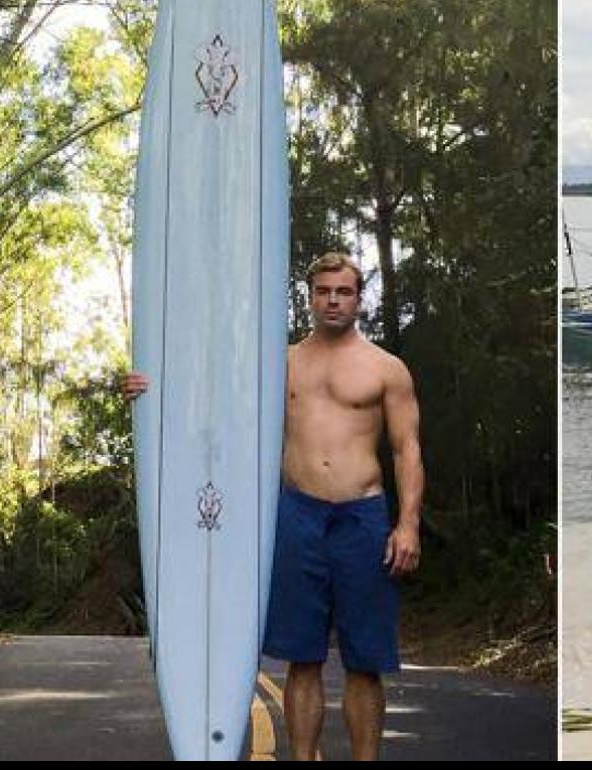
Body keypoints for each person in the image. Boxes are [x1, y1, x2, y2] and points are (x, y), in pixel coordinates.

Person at [124, 252, 424, 761]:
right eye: (324, 291)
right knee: (301, 659)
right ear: (310, 298)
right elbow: (215, 403)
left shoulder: (386, 369)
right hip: (296, 516)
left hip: (362, 518)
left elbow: (406, 449)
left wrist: (408, 525)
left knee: (364, 662)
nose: (333, 300)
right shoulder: (278, 363)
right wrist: (151, 390)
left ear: (358, 299)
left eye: (344, 291)